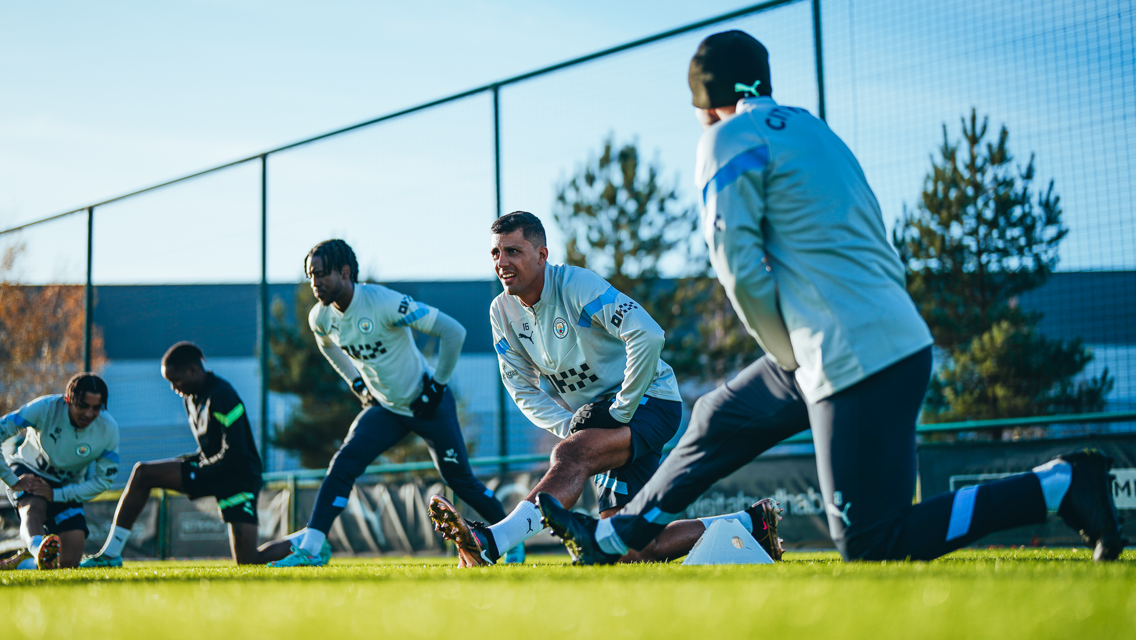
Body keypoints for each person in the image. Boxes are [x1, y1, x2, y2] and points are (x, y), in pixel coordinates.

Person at [538, 30, 1127, 564]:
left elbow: (739, 269)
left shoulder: (725, 138)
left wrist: (789, 356)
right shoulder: (815, 129)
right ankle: (612, 538)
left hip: (845, 355)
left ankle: (1063, 484)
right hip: (880, 338)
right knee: (720, 416)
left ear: (704, 101)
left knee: (874, 540)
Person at [428, 212, 779, 566]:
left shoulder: (577, 285)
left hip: (652, 401)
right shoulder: (500, 312)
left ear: (542, 255)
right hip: (600, 418)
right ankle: (753, 523)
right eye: (495, 253)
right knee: (630, 548)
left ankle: (491, 541)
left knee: (570, 456)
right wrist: (569, 427)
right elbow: (521, 387)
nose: (502, 263)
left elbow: (648, 333)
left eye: (513, 251)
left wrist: (620, 409)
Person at [268, 239, 508, 567]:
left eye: (322, 274)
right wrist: (355, 381)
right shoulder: (320, 318)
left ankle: (512, 539)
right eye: (311, 276)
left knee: (459, 480)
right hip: (386, 409)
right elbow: (327, 346)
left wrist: (436, 388)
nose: (315, 283)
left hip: (428, 403)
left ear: (346, 271)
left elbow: (454, 332)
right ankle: (311, 549)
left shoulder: (382, 302)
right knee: (342, 466)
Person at [82, 342, 288, 566]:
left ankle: (310, 542)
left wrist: (198, 469)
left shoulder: (222, 395)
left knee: (249, 562)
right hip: (215, 471)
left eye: (176, 380)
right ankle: (111, 554)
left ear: (193, 370)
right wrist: (189, 461)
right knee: (142, 474)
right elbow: (210, 448)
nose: (174, 387)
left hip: (239, 479)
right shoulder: (190, 398)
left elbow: (235, 453)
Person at [0, 374, 119, 570]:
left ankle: (22, 564)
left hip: (65, 487)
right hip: (29, 472)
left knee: (68, 565)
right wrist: (12, 480)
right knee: (33, 508)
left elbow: (103, 481)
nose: (89, 414)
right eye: (83, 405)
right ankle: (37, 548)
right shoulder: (44, 408)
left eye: (96, 408)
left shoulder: (108, 430)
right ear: (68, 400)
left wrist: (57, 494)